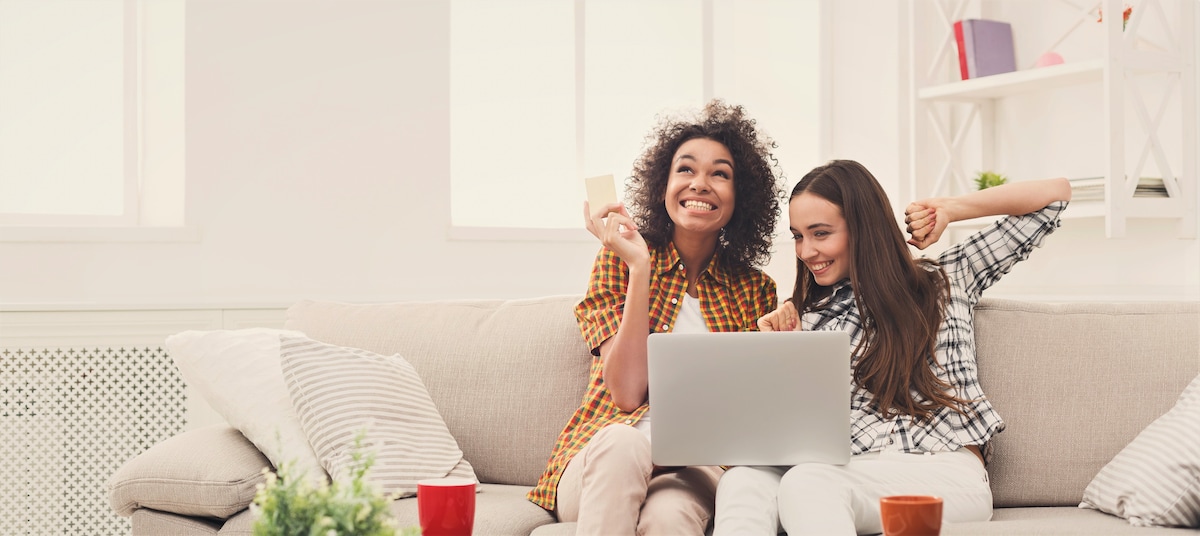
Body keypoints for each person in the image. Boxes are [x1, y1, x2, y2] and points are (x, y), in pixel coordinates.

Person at [712, 159, 1071, 535]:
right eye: (799, 236)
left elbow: (1055, 194)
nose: (805, 251)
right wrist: (785, 358)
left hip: (942, 468)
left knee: (809, 482)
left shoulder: (945, 280)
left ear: (863, 229)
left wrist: (949, 209)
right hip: (849, 467)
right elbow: (803, 436)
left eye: (820, 233)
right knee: (743, 482)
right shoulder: (809, 316)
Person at [526, 100, 786, 534]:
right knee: (625, 442)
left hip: (690, 469)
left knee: (670, 518)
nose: (700, 184)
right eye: (686, 169)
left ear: (740, 198)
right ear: (663, 184)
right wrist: (640, 268)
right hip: (604, 457)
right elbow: (627, 394)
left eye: (720, 174)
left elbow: (744, 418)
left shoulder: (756, 290)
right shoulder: (619, 262)